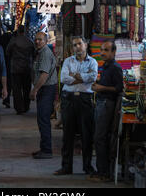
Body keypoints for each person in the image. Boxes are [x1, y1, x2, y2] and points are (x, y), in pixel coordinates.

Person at [54, 36, 98, 176]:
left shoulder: (93, 62)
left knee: (87, 135)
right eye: (74, 45)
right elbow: (64, 79)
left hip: (85, 100)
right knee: (68, 135)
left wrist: (76, 76)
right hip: (69, 100)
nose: (77, 47)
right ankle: (66, 167)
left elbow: (93, 77)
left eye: (79, 44)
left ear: (85, 44)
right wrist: (83, 77)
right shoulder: (68, 61)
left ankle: (87, 166)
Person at [90, 40, 124, 182]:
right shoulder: (106, 66)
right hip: (102, 103)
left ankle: (104, 173)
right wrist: (99, 84)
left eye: (106, 50)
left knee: (100, 138)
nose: (102, 53)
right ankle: (101, 171)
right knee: (100, 138)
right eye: (101, 50)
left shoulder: (115, 68)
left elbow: (118, 88)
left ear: (113, 52)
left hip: (107, 104)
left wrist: (101, 88)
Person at [30, 32, 58, 160]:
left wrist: (35, 90)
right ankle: (44, 148)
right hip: (44, 89)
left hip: (46, 89)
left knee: (44, 120)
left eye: (40, 40)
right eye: (36, 39)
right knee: (42, 120)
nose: (37, 42)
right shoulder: (41, 52)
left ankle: (47, 150)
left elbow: (44, 75)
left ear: (46, 41)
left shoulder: (45, 53)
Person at [6, 26, 34, 115]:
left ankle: (19, 108)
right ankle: (26, 106)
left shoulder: (13, 41)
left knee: (17, 89)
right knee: (26, 88)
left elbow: (7, 52)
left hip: (16, 68)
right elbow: (34, 53)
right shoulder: (30, 41)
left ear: (18, 31)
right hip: (27, 68)